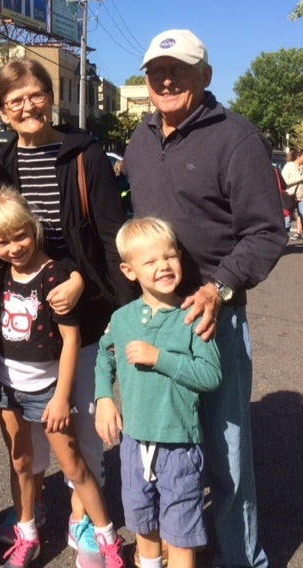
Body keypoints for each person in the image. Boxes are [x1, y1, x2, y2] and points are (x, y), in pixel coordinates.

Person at [122, 29, 287, 567]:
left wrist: (219, 288)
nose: (166, 80)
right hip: (157, 319)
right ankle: (179, 543)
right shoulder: (140, 140)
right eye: (156, 72)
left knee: (225, 452)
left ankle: (242, 559)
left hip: (215, 315)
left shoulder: (236, 137)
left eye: (180, 70)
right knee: (167, 444)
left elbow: (267, 231)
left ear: (205, 76)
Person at [0, 58, 136, 564]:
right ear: (2, 111)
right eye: (15, 100)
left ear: (51, 97)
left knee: (87, 431)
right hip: (25, 325)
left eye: (35, 95)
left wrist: (115, 305)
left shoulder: (84, 154)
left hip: (85, 310)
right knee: (30, 440)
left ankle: (83, 523)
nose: (27, 106)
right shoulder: (0, 164)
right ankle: (36, 517)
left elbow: (110, 237)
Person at [0, 187, 125, 568]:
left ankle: (108, 540)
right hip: (8, 389)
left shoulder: (54, 275)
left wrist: (61, 397)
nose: (14, 247)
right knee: (22, 463)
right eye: (3, 242)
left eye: (21, 235)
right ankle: (27, 534)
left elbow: (71, 339)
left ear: (35, 228)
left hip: (48, 389)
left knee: (73, 464)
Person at [94, 217, 222, 568]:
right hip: (134, 443)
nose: (163, 266)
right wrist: (104, 397)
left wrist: (160, 359)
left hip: (180, 445)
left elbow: (211, 375)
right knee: (143, 525)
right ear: (129, 270)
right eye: (150, 261)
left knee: (181, 534)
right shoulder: (122, 318)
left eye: (170, 256)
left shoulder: (193, 317)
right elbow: (104, 357)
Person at [281, 149, 303, 240]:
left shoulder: (302, 167)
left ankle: (298, 233)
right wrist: (300, 178)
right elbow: (284, 181)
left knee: (301, 215)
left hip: (300, 197)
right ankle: (282, 239)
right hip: (289, 197)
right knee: (287, 220)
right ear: (299, 156)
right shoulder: (289, 166)